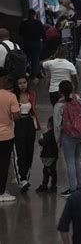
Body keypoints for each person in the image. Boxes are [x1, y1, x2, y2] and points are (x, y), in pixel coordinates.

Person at [54, 80, 81, 197]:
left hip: (68, 135)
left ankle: (72, 189)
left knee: (70, 162)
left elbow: (57, 125)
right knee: (78, 159)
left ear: (60, 91)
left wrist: (57, 139)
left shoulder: (59, 105)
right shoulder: (78, 98)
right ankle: (80, 185)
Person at [13, 76, 40, 192]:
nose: (23, 85)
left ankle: (26, 178)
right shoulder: (12, 96)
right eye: (20, 83)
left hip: (29, 123)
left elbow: (33, 110)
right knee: (20, 152)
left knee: (29, 151)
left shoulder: (32, 94)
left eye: (24, 82)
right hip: (17, 124)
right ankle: (21, 178)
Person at [0, 69, 20, 202]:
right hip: (6, 136)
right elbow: (17, 116)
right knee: (3, 164)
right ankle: (1, 193)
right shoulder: (10, 96)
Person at [19, 9, 46, 80]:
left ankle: (23, 73)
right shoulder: (38, 23)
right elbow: (43, 34)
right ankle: (33, 76)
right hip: (37, 43)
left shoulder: (24, 23)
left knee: (26, 59)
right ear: (34, 15)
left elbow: (20, 33)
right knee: (35, 60)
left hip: (26, 43)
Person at [35, 116, 58, 193]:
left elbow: (44, 143)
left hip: (48, 156)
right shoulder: (56, 134)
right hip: (53, 155)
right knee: (51, 171)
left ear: (49, 125)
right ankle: (52, 185)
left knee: (47, 171)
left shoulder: (47, 135)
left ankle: (46, 185)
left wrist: (40, 140)